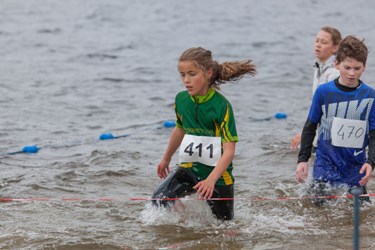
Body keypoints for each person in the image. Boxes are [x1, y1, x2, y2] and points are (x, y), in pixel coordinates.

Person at [151, 47, 256, 220]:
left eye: (192, 74)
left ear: (208, 73)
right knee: (159, 199)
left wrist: (211, 180)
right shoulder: (181, 100)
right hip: (189, 169)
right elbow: (180, 129)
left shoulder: (222, 106)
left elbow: (229, 151)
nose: (186, 80)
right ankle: (186, 223)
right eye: (182, 74)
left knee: (225, 228)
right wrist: (166, 158)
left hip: (219, 177)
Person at [296, 35, 374, 205]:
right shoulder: (324, 92)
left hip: (355, 164)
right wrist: (302, 159)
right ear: (337, 64)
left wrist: (371, 162)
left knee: (362, 210)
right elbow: (310, 126)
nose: (352, 73)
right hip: (326, 161)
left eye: (357, 68)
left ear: (364, 67)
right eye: (347, 67)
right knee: (316, 208)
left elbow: (374, 134)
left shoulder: (370, 95)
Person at [290, 26, 342, 150]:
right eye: (317, 41)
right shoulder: (319, 67)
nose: (318, 45)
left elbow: (329, 110)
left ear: (335, 47)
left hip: (330, 135)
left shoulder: (334, 73)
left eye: (323, 42)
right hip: (320, 132)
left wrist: (305, 133)